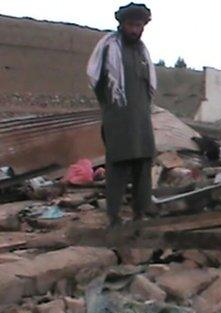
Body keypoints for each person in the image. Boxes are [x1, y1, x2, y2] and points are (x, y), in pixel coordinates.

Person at [86, 3, 157, 229]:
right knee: (118, 166)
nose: (135, 30)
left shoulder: (143, 51)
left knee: (143, 164)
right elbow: (95, 78)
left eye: (139, 25)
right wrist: (110, 107)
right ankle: (114, 218)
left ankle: (140, 215)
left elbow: (149, 86)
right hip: (117, 117)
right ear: (121, 24)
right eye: (131, 25)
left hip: (141, 117)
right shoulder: (108, 47)